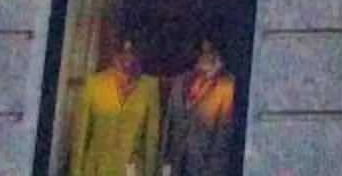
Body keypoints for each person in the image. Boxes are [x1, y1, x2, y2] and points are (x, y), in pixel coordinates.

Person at [69, 40, 160, 176]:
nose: (127, 57)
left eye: (132, 52)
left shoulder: (149, 87)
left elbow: (151, 139)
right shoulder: (94, 83)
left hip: (131, 170)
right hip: (96, 169)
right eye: (122, 52)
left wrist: (149, 172)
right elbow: (80, 136)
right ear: (114, 53)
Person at [161, 38, 237, 176]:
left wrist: (213, 170)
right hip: (176, 164)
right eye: (202, 51)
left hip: (203, 167)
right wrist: (165, 163)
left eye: (210, 51)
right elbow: (169, 126)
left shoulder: (227, 85)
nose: (205, 56)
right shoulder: (180, 81)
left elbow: (223, 135)